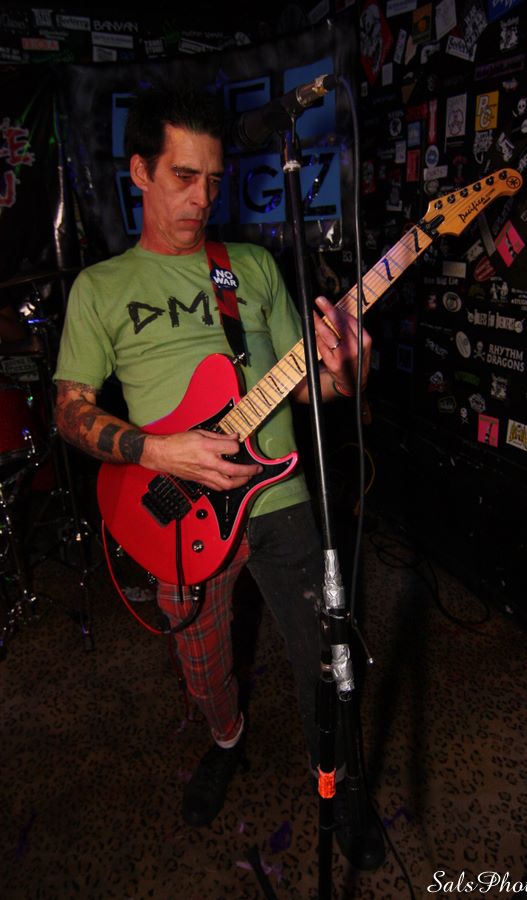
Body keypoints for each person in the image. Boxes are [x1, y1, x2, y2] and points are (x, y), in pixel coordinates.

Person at [54, 86, 383, 870]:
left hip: (279, 498)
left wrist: (349, 370)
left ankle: (339, 778)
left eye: (212, 179)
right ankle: (227, 740)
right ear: (140, 171)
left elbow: (306, 387)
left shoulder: (251, 267)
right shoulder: (100, 288)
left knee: (326, 654)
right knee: (204, 668)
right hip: (172, 511)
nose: (202, 198)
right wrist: (156, 452)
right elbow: (69, 412)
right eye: (182, 176)